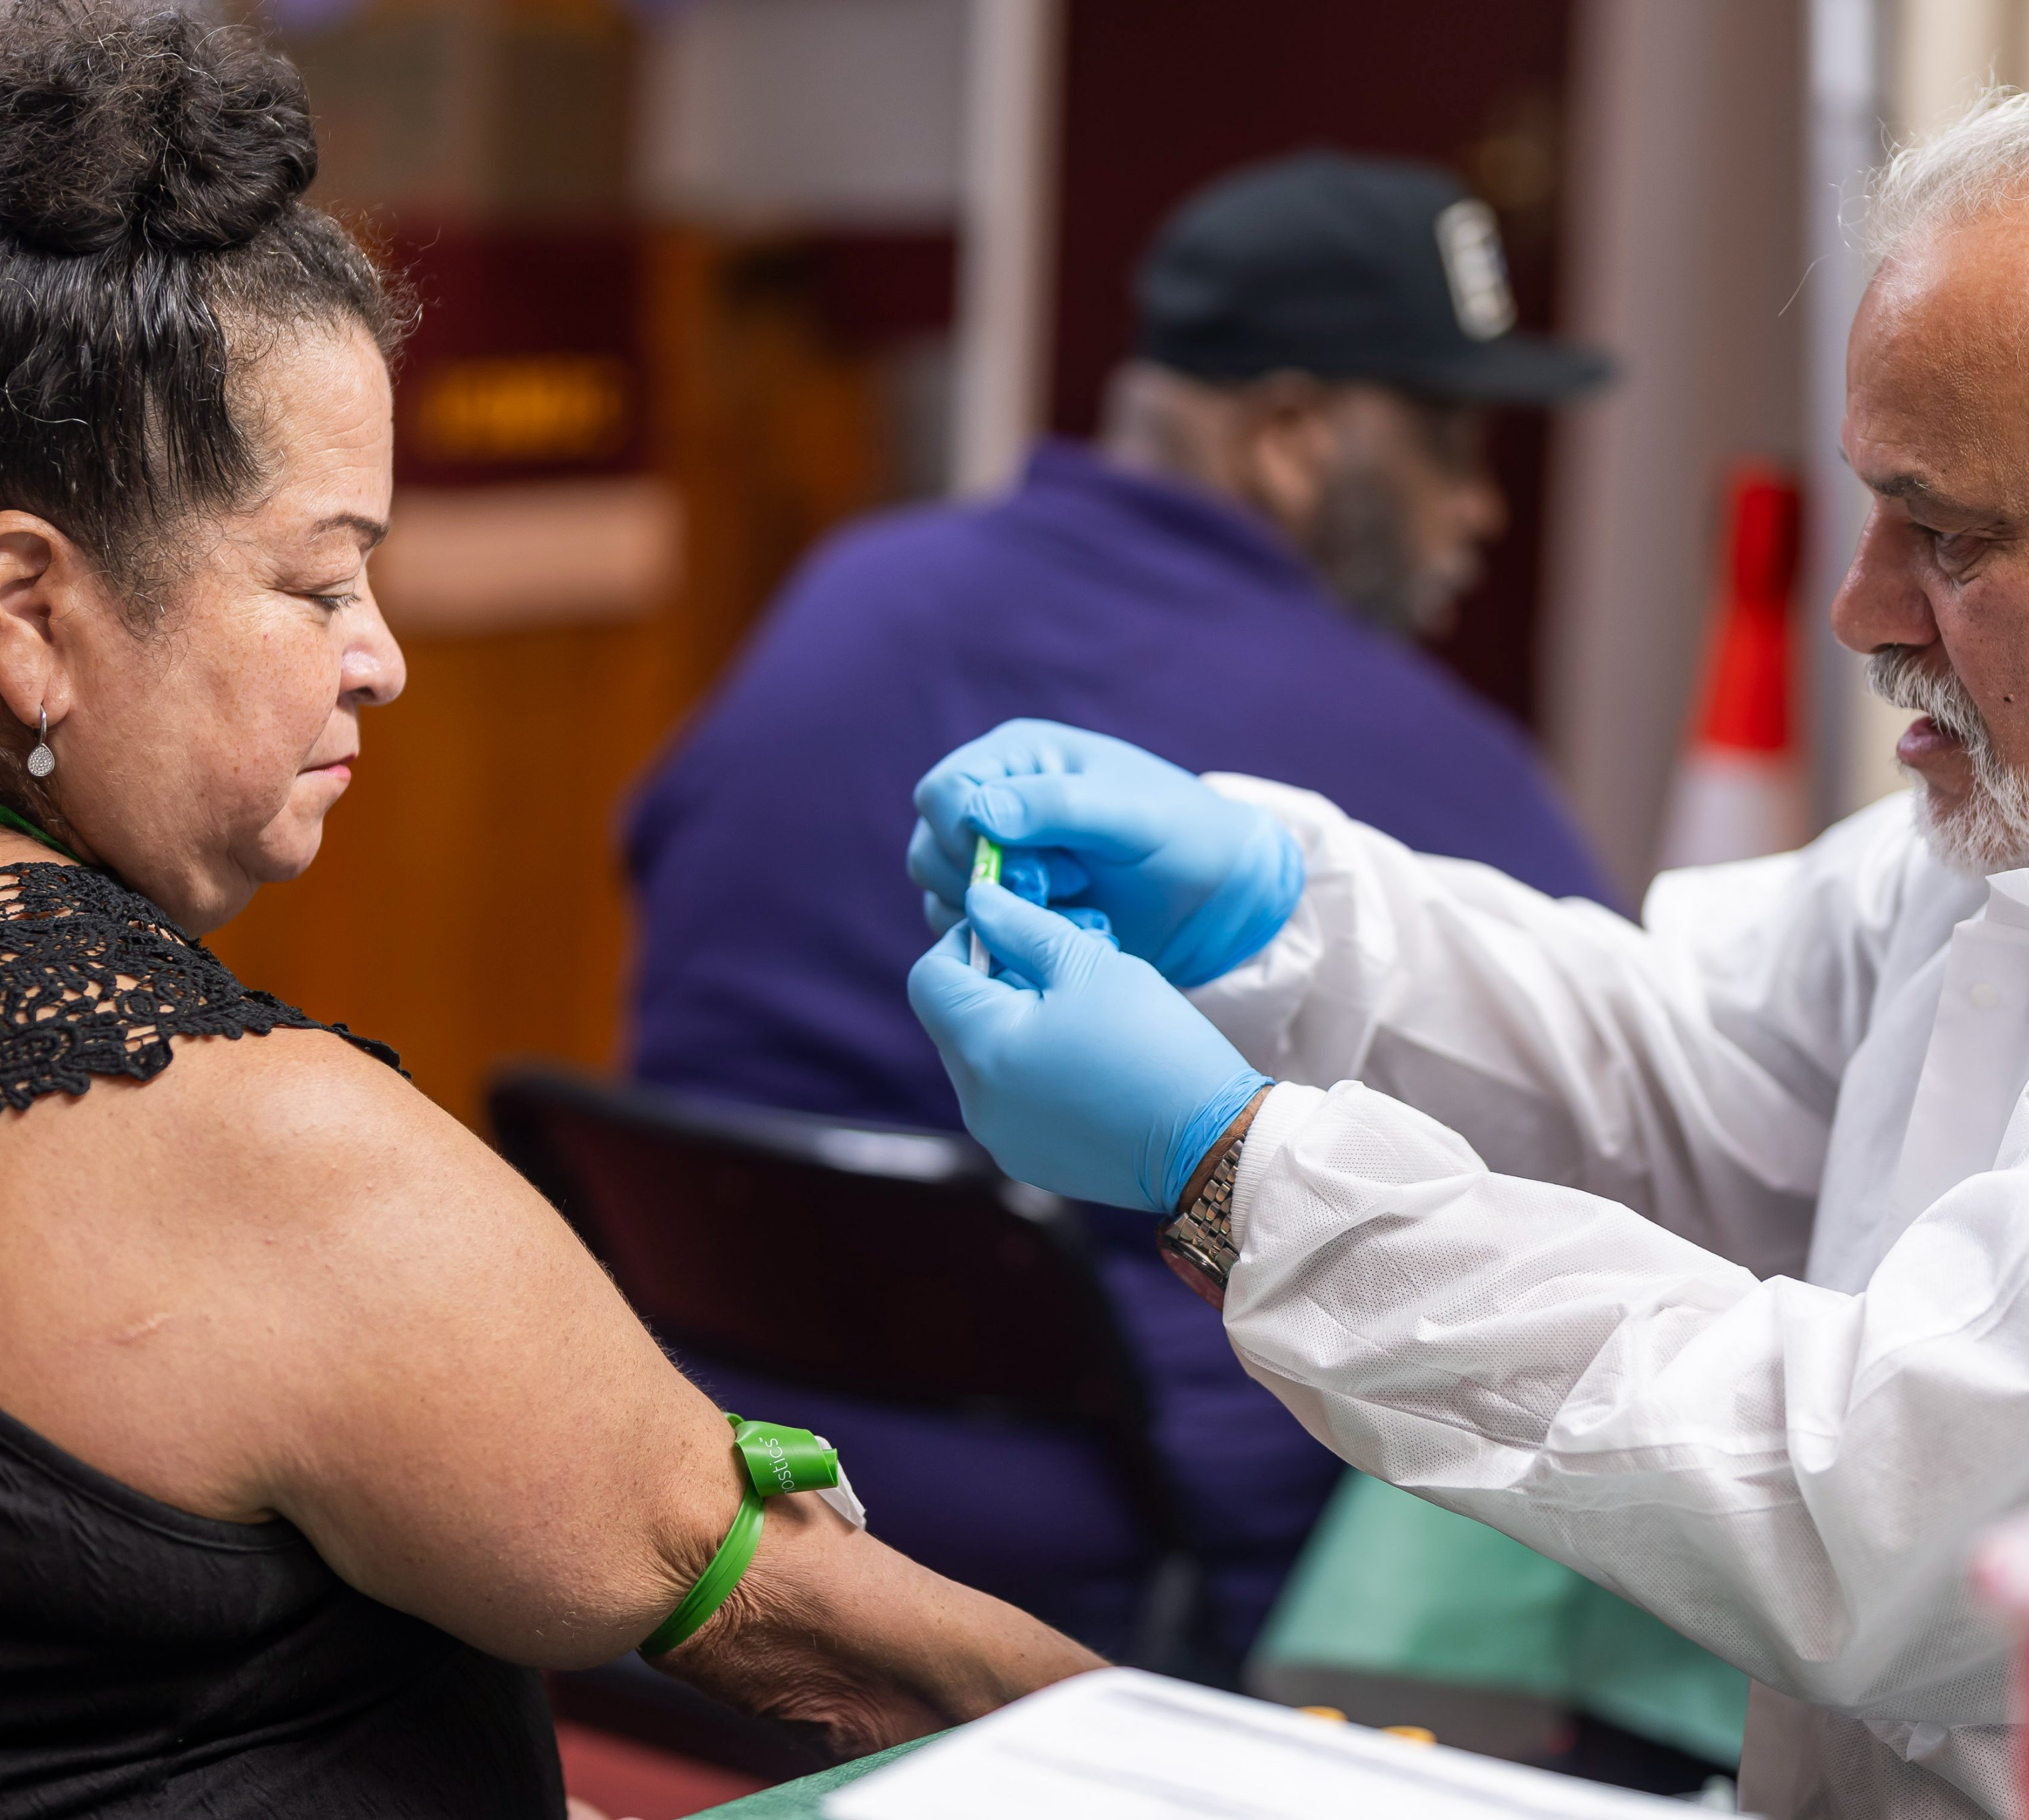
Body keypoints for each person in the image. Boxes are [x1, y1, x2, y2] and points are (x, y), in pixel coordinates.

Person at [904, 73, 2029, 1820]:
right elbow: (1702, 1053)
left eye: (1948, 537)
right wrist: (1287, 909)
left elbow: (1882, 1498)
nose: (1863, 609)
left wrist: (1238, 1170)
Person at [0, 7, 1096, 1812]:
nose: (380, 660)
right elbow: (844, 1645)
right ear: (26, 606)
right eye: (320, 583)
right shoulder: (254, 1152)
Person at [621, 153, 1613, 1667]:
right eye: (1449, 440)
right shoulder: (1412, 755)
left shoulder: (846, 590)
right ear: (1290, 437)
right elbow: (1606, 1154)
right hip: (1117, 1582)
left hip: (702, 1478)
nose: (1478, 506)